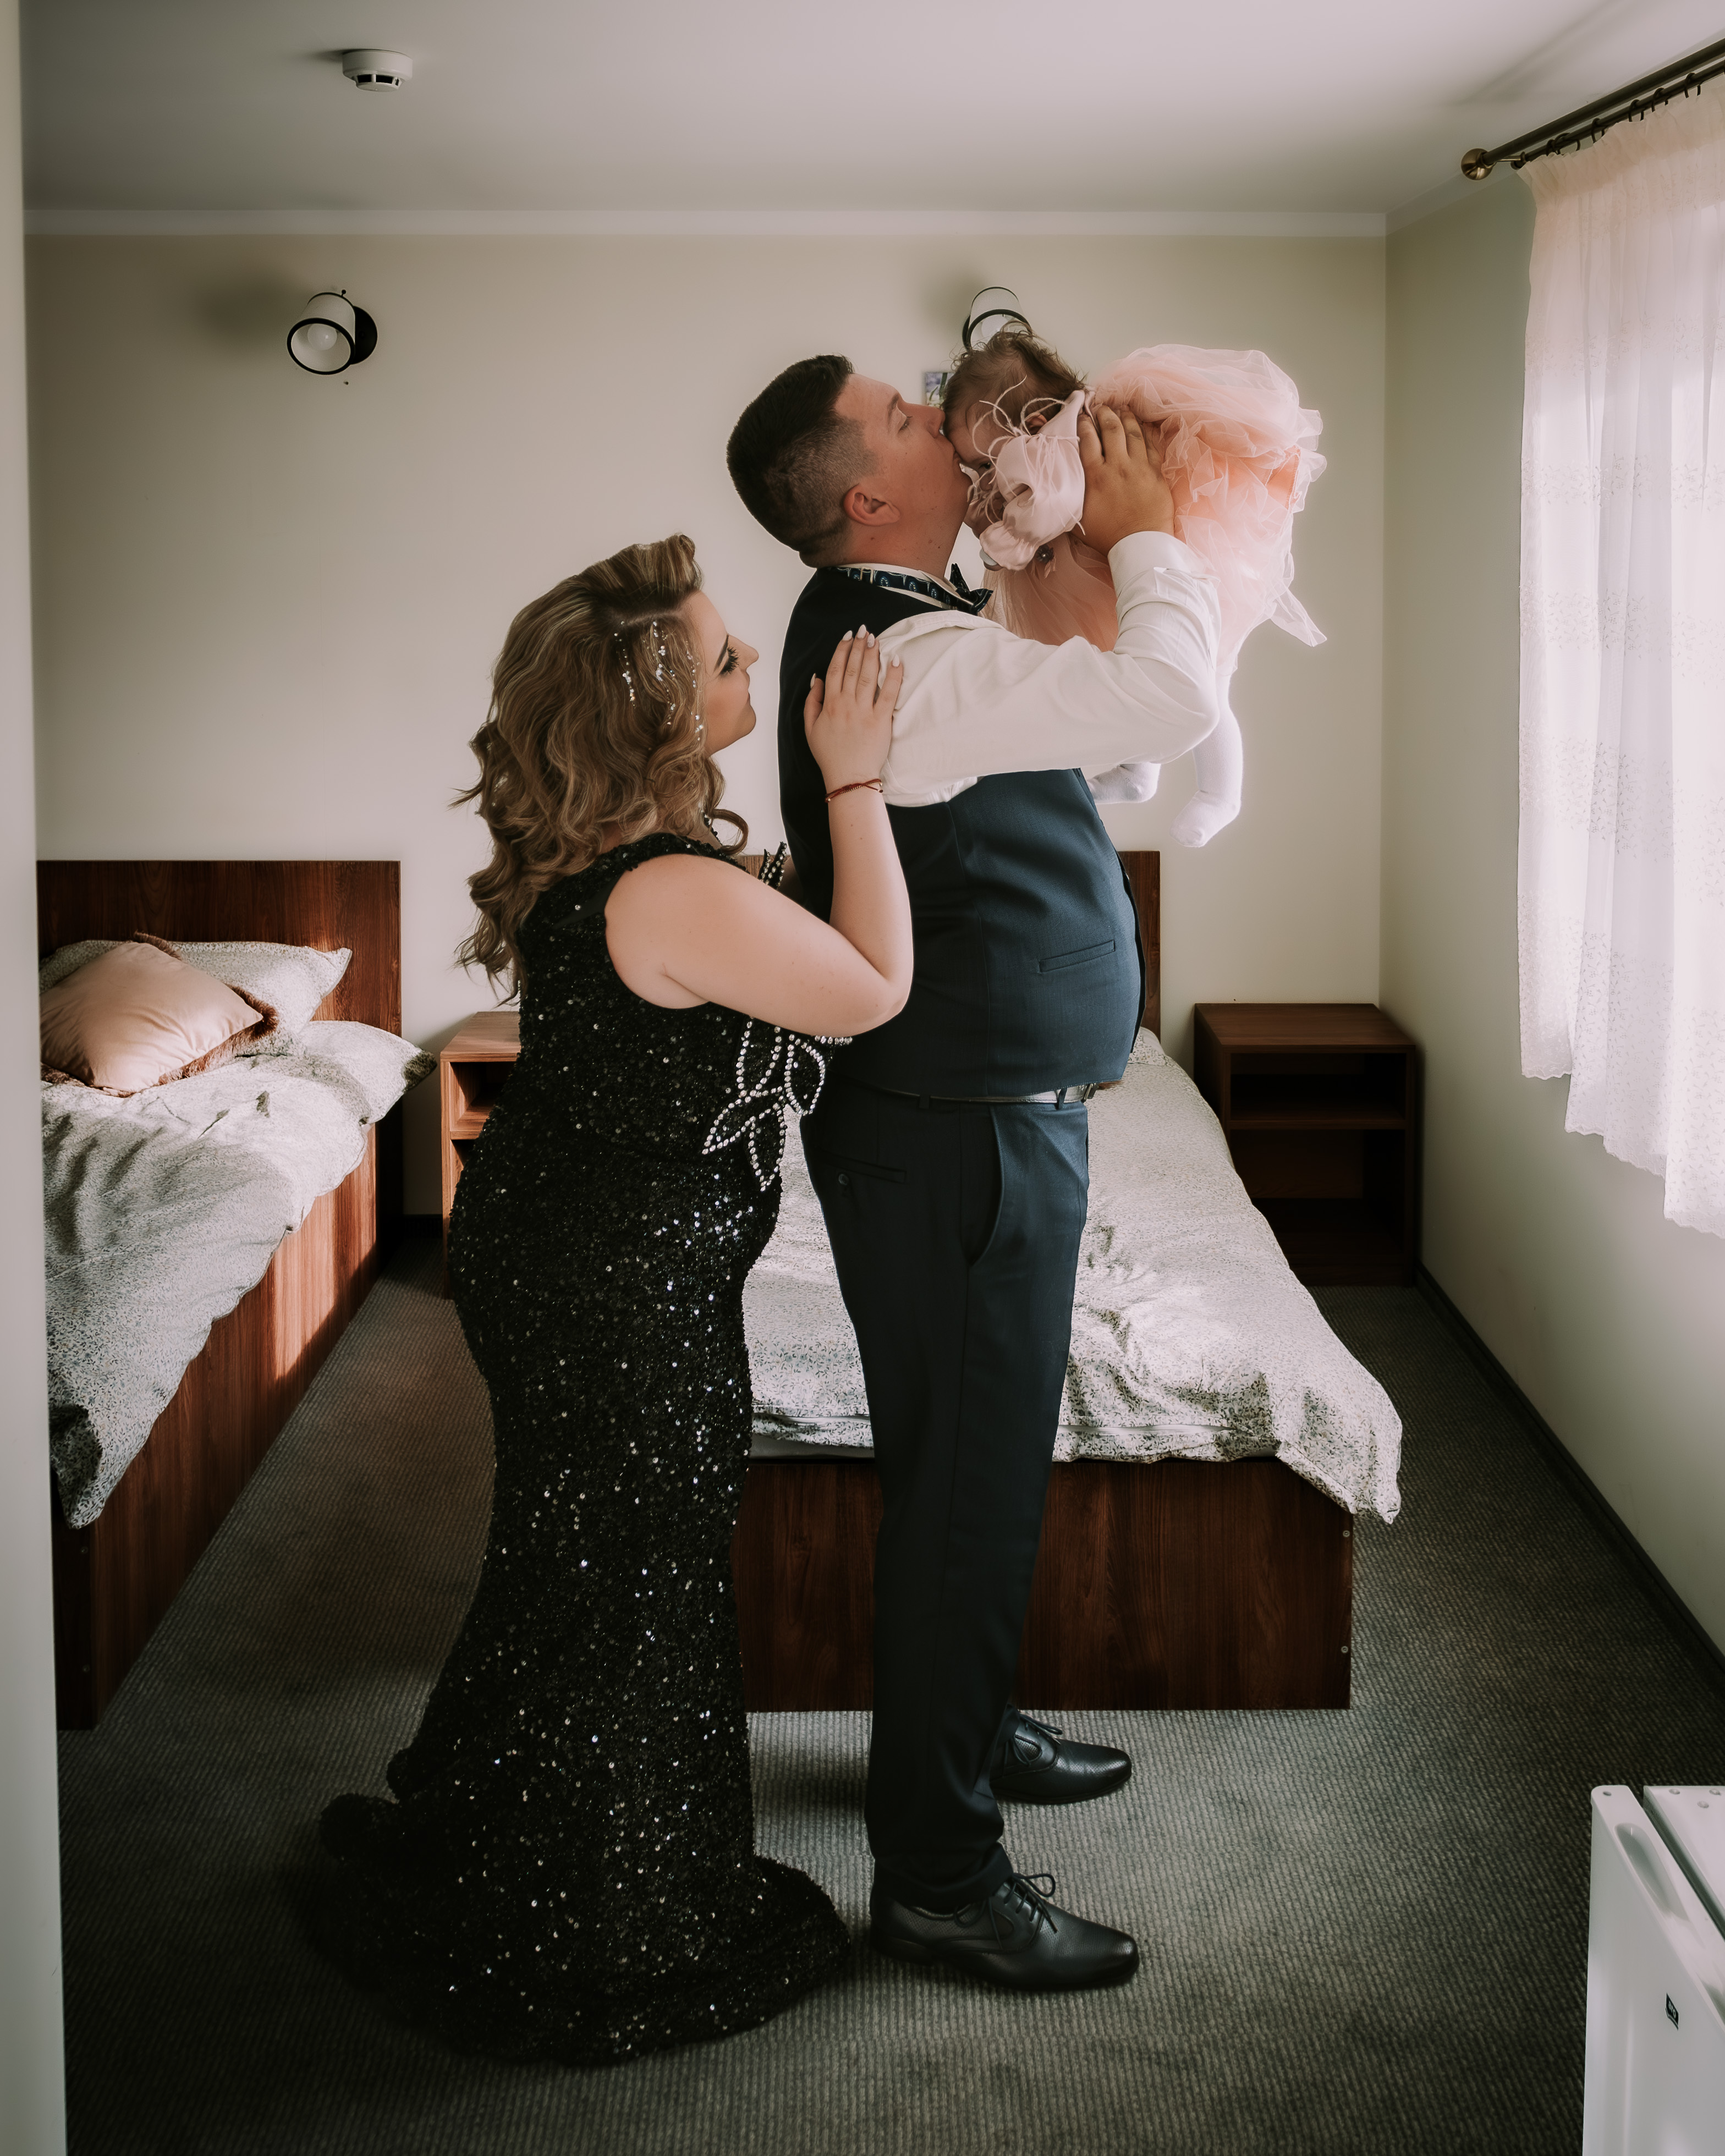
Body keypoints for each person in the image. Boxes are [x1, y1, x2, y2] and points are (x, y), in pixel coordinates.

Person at [315, 534, 914, 2067]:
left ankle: (517, 1834)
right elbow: (870, 988)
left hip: (566, 1247)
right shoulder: (668, 886)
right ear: (652, 708)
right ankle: (593, 1918)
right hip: (613, 1285)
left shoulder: (632, 864)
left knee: (576, 1557)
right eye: (722, 657)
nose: (750, 666)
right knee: (635, 1576)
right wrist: (854, 782)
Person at [726, 359, 1221, 1993]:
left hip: (980, 1120)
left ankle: (966, 1720)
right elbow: (1167, 703)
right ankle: (939, 1880)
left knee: (972, 1478)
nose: (944, 415)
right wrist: (1149, 534)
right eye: (903, 414)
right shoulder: (913, 661)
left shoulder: (927, 631)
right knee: (966, 1495)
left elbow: (1113, 764)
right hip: (961, 1135)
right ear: (866, 493)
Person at [942, 324, 1325, 846]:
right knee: (1142, 661)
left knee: (1206, 678)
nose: (983, 478)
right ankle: (1139, 772)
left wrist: (1001, 539)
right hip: (1120, 569)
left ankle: (1219, 794)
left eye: (982, 463)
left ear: (1032, 425)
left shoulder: (1063, 446)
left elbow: (1046, 514)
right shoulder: (1071, 432)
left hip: (1186, 566)